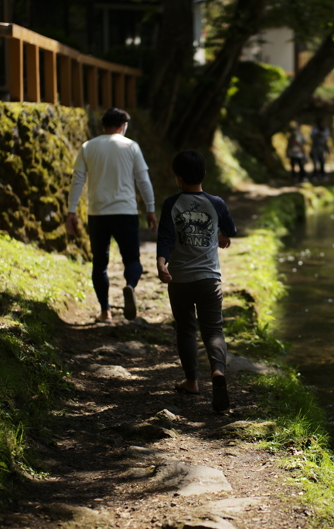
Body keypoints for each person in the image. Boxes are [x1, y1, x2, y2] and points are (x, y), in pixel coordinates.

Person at [157, 150, 237, 413]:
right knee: (213, 330)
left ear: (178, 177)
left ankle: (192, 381)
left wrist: (161, 262)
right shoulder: (216, 202)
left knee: (186, 329)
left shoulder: (172, 203)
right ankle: (217, 372)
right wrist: (223, 235)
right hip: (209, 279)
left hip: (179, 279)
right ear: (204, 174)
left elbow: (166, 237)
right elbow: (230, 230)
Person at [66, 107, 157, 322]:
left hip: (97, 213)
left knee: (100, 263)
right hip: (126, 212)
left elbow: (77, 180)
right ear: (123, 126)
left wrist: (72, 211)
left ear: (103, 126)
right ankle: (130, 286)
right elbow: (143, 180)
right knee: (132, 259)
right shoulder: (131, 146)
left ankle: (105, 311)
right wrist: (150, 209)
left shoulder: (88, 147)